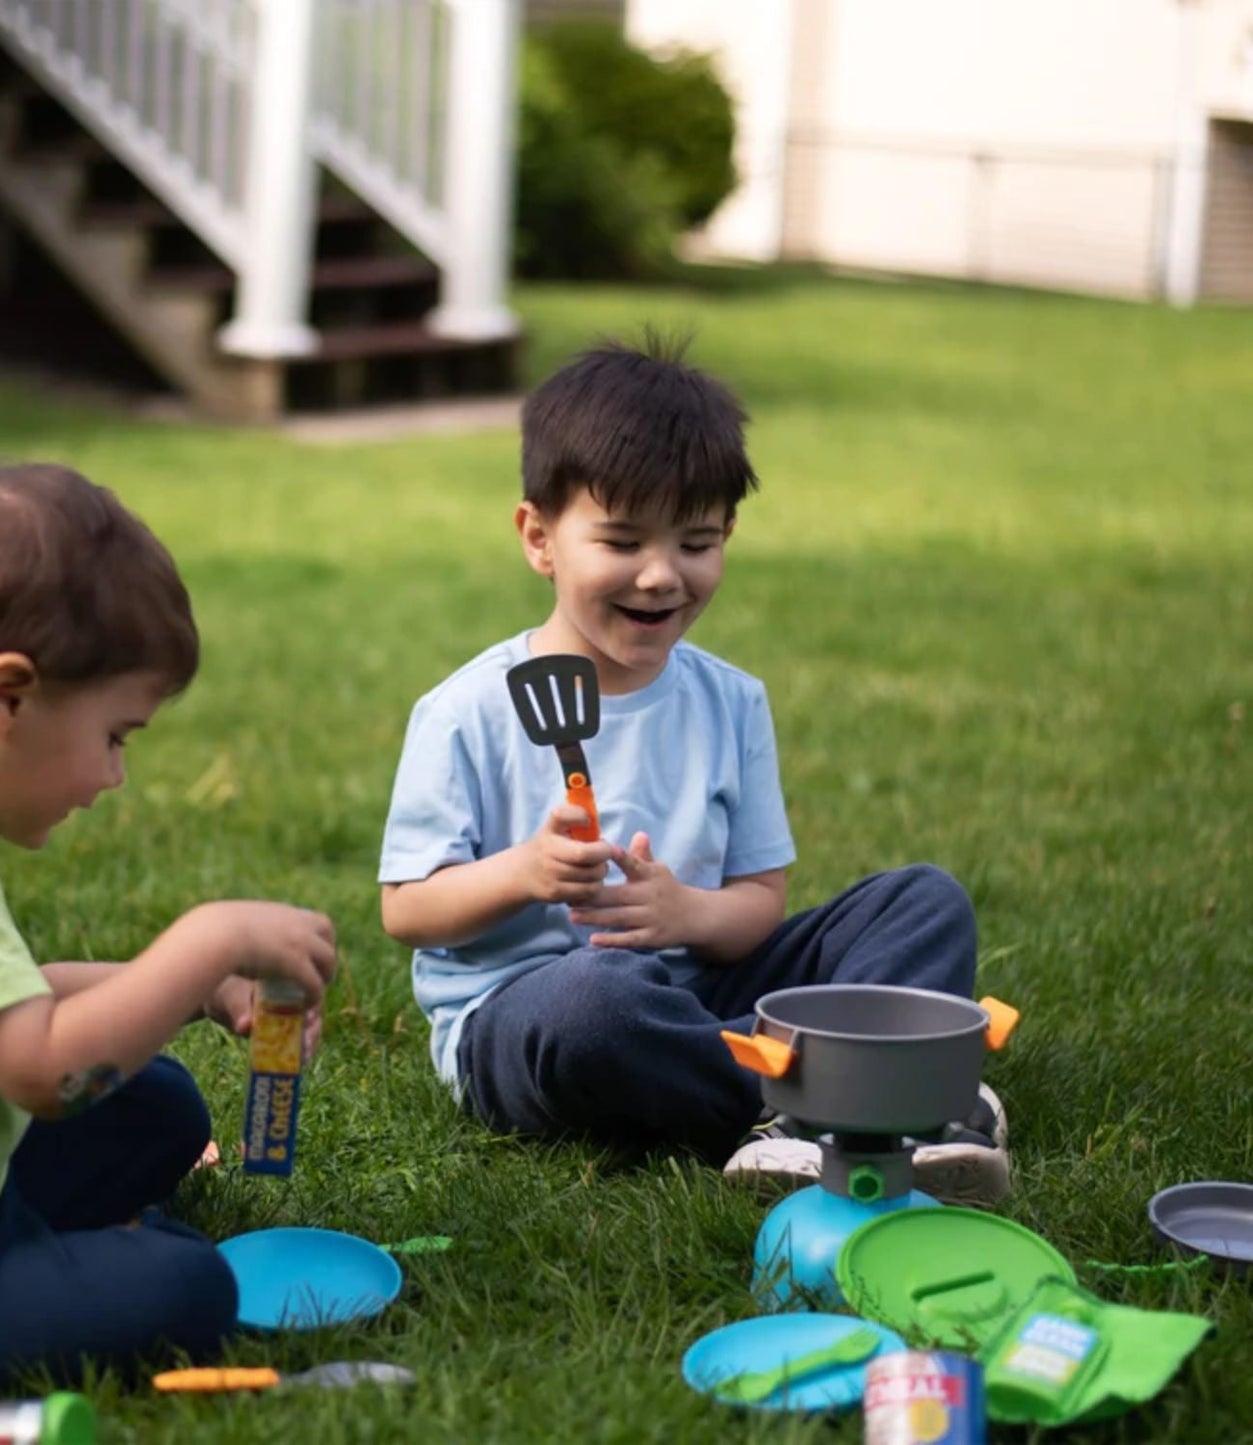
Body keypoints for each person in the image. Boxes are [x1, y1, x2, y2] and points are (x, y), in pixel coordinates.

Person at [379, 338, 1007, 1204]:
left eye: (696, 541)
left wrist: (685, 912)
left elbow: (758, 903)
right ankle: (854, 1093)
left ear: (727, 537)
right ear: (538, 537)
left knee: (922, 901)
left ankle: (800, 1099)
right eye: (621, 540)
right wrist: (522, 872)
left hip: (705, 990)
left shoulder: (731, 701)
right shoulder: (466, 711)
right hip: (527, 1015)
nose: (660, 574)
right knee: (598, 1002)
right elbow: (407, 909)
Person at [0, 463, 337, 1391]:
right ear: (6, 698)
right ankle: (13, 1283)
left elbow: (14, 995)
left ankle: (55, 1248)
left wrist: (205, 991)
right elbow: (44, 1072)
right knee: (187, 1285)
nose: (114, 775)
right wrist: (208, 940)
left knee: (160, 1103)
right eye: (114, 736)